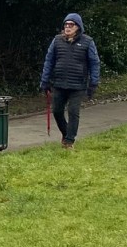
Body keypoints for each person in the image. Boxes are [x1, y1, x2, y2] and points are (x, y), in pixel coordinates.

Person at [39, 13, 101, 150]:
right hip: (59, 83)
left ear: (78, 27)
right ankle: (67, 134)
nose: (67, 27)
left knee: (73, 112)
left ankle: (69, 142)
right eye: (66, 25)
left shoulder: (87, 42)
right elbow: (49, 61)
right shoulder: (57, 40)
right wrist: (44, 81)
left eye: (71, 25)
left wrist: (93, 84)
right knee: (57, 111)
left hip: (78, 85)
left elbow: (94, 63)